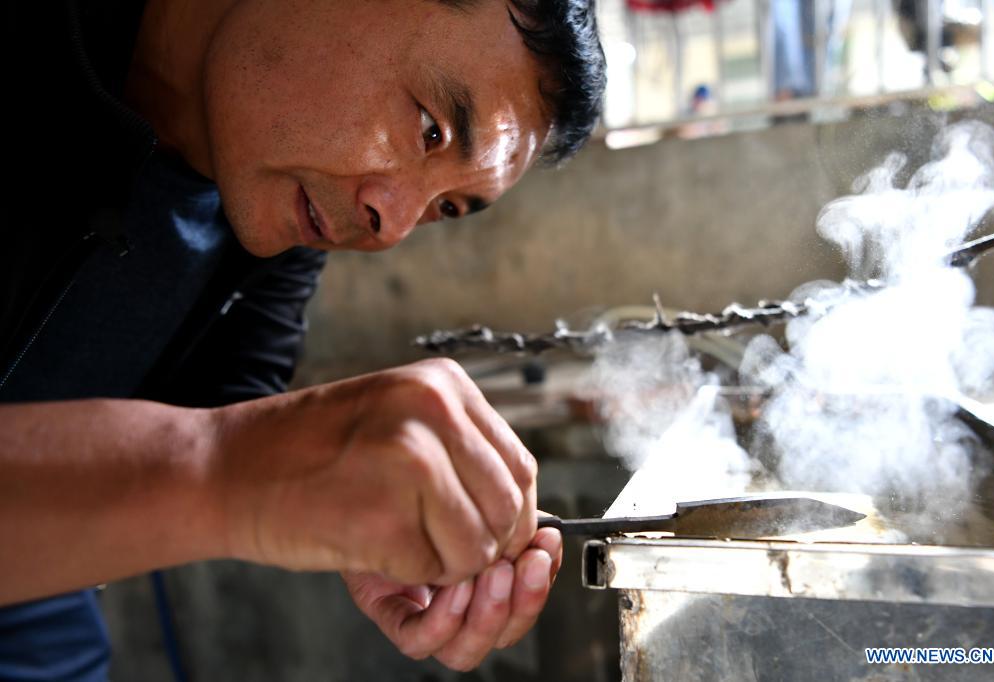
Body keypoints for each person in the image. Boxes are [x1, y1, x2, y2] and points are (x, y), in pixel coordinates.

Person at [0, 0, 606, 678]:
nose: (391, 226)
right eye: (429, 127)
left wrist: (351, 514)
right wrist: (227, 471)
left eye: (445, 208)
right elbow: (220, 456)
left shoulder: (276, 214)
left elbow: (231, 417)